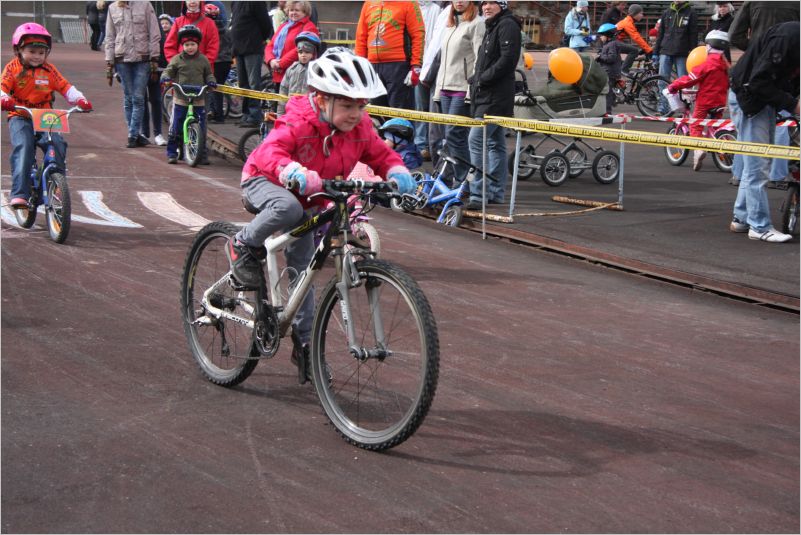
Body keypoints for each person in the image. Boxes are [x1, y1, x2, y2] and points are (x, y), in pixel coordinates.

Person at [225, 48, 415, 375]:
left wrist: (398, 172)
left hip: (309, 198)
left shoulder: (360, 128)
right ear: (322, 99)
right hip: (265, 180)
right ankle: (242, 244)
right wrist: (291, 170)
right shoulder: (300, 120)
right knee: (287, 208)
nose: (356, 114)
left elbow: (381, 155)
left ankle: (305, 344)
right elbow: (271, 151)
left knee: (305, 270)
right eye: (347, 105)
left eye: (361, 106)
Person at [1, 23, 92, 208]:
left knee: (57, 144)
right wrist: (4, 98)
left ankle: (55, 186)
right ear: (18, 50)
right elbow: (2, 87)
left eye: (41, 53)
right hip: (20, 115)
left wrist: (80, 100)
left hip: (45, 116)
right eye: (32, 51)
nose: (37, 56)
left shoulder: (49, 70)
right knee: (24, 147)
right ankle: (20, 193)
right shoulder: (12, 69)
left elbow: (65, 87)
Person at [728, 21, 799, 243]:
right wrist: (793, 104)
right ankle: (759, 226)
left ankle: (742, 217)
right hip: (751, 99)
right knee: (757, 166)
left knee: (756, 162)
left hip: (759, 99)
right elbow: (758, 82)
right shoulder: (787, 38)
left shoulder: (790, 37)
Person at [467, 0, 521, 209]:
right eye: (484, 3)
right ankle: (495, 193)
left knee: (476, 140)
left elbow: (508, 60)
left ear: (503, 5)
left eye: (492, 3)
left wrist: (482, 78)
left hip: (495, 98)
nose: (486, 7)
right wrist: (476, 79)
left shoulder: (507, 25)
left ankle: (478, 194)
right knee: (495, 144)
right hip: (488, 95)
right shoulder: (493, 25)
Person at [433, 0, 484, 183]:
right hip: (445, 87)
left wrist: (472, 89)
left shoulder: (477, 24)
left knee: (455, 135)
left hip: (462, 88)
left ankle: (464, 181)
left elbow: (479, 59)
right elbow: (443, 62)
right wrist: (438, 90)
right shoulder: (451, 24)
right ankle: (454, 179)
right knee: (449, 137)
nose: (459, 1)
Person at [666, 30, 730, 171]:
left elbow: (690, 80)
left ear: (709, 46)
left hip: (705, 101)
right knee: (716, 124)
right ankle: (722, 146)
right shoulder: (725, 65)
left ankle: (698, 150)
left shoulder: (706, 65)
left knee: (695, 124)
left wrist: (674, 85)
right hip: (720, 100)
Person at [105, 0, 161, 148]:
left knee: (138, 98)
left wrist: (154, 57)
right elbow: (109, 36)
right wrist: (109, 61)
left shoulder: (145, 5)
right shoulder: (112, 8)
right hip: (122, 59)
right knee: (128, 98)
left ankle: (132, 135)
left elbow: (154, 33)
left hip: (142, 59)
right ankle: (135, 134)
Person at [161, 25, 216, 165]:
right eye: (186, 45)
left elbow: (209, 74)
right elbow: (168, 71)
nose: (190, 47)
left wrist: (211, 82)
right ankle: (172, 153)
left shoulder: (203, 60)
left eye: (192, 44)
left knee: (201, 127)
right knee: (175, 126)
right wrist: (166, 77)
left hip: (198, 99)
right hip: (181, 98)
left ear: (198, 45)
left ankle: (201, 154)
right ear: (182, 45)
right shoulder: (177, 59)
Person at [355, 1, 425, 110]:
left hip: (399, 67)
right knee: (376, 113)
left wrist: (416, 66)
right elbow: (361, 37)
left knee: (399, 112)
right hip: (372, 67)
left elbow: (418, 34)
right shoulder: (368, 4)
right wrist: (359, 66)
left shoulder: (409, 3)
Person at [230, 1, 272, 127]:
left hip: (252, 46)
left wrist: (259, 39)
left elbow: (266, 24)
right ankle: (246, 114)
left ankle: (254, 116)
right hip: (239, 48)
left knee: (253, 83)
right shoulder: (235, 2)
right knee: (243, 84)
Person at [654, 1, 697, 115]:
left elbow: (693, 34)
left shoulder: (691, 13)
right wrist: (655, 52)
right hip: (665, 51)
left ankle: (683, 109)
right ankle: (663, 108)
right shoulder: (666, 12)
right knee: (662, 81)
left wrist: (693, 52)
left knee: (683, 83)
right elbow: (660, 34)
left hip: (682, 52)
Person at [264, 1, 318, 92]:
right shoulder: (283, 26)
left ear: (305, 12)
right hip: (278, 74)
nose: (293, 13)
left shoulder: (309, 27)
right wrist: (271, 60)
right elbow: (270, 45)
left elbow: (301, 49)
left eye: (297, 10)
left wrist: (280, 64)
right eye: (291, 10)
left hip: (296, 77)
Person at [413, 0, 443, 160]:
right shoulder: (411, 7)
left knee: (432, 108)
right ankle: (420, 144)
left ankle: (432, 145)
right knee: (419, 107)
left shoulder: (437, 10)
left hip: (433, 65)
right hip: (417, 64)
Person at [140, 11, 170, 146]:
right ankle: (144, 132)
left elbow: (161, 42)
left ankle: (158, 133)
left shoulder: (152, 18)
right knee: (141, 100)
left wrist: (162, 65)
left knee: (156, 99)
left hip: (155, 66)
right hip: (138, 65)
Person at [277, 31, 321, 115]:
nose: (303, 55)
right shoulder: (291, 69)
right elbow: (283, 92)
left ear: (314, 53)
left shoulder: (317, 71)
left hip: (309, 114)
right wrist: (280, 115)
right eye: (300, 52)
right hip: (291, 113)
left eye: (307, 52)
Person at [164, 0, 219, 65]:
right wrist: (177, 64)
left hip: (203, 69)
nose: (192, 2)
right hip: (181, 69)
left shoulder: (209, 23)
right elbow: (169, 47)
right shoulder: (178, 22)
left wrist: (201, 65)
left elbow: (213, 48)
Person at [204, 3, 232, 124]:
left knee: (213, 88)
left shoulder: (209, 30)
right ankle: (215, 112)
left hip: (216, 61)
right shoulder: (225, 30)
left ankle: (218, 115)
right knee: (218, 88)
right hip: (226, 61)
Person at [596, 23, 624, 116]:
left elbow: (611, 58)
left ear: (608, 35)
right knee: (607, 91)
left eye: (602, 35)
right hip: (609, 71)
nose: (600, 37)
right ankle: (609, 106)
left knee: (607, 92)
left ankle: (607, 112)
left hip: (610, 72)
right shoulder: (608, 44)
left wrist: (600, 57)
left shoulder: (612, 44)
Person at [616, 4, 653, 74]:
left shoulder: (629, 21)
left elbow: (637, 36)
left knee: (634, 51)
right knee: (634, 50)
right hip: (613, 43)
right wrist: (648, 50)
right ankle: (624, 70)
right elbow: (636, 37)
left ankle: (623, 69)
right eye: (641, 13)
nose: (642, 15)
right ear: (635, 13)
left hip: (615, 42)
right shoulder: (628, 23)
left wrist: (645, 48)